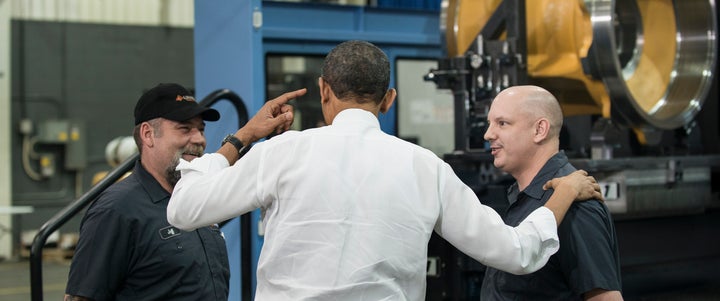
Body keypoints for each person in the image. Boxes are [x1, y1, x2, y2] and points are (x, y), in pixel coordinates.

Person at [166, 40, 602, 300]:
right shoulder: (424, 168)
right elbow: (517, 253)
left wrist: (240, 138)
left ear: (323, 91)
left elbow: (184, 210)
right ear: (389, 99)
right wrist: (562, 191)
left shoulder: (281, 152)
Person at [64, 83, 304, 300]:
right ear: (148, 135)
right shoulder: (117, 209)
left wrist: (249, 134)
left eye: (201, 129)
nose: (198, 139)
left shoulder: (198, 196)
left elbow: (215, 166)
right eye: (184, 129)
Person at [480, 85, 623, 300]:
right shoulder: (528, 199)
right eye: (489, 123)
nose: (488, 134)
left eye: (502, 123)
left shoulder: (575, 206)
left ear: (540, 130)